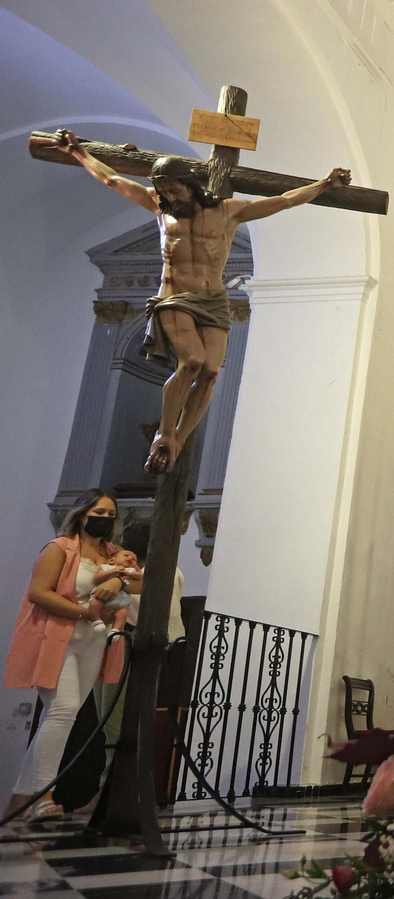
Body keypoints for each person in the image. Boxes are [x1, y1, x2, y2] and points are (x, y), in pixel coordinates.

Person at [55, 129, 349, 473]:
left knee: (210, 372)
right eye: (163, 190)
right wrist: (77, 151)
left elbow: (284, 200)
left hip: (213, 300)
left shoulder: (228, 211)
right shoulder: (156, 204)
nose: (168, 196)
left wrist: (325, 184)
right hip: (175, 297)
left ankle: (178, 438)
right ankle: (164, 432)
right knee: (192, 361)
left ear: (189, 184)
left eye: (173, 189)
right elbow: (112, 180)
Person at [4, 490, 135, 821]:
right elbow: (38, 592)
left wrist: (118, 585)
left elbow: (137, 584)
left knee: (64, 714)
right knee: (62, 710)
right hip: (57, 638)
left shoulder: (113, 553)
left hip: (91, 644)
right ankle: (43, 796)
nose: (105, 518)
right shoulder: (59, 548)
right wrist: (84, 612)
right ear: (82, 513)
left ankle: (20, 800)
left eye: (111, 513)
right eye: (99, 512)